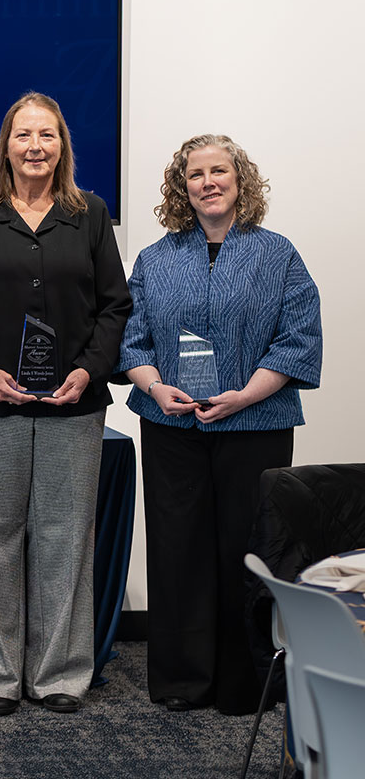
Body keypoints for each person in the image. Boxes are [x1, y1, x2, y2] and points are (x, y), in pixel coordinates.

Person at [118, 134, 321, 715]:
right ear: (181, 188)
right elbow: (132, 341)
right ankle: (183, 681)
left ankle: (244, 685)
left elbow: (299, 338)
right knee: (178, 551)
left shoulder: (277, 254)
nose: (208, 182)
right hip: (171, 426)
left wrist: (243, 397)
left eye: (219, 171)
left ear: (241, 180)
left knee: (249, 551)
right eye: (195, 174)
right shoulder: (156, 260)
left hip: (255, 425)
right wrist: (156, 386)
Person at [0, 92, 131, 716]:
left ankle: (60, 673)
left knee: (63, 538)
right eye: (23, 135)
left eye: (47, 136)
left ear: (62, 146)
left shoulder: (89, 214)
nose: (35, 146)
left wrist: (88, 370)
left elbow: (115, 306)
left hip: (72, 406)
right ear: (5, 145)